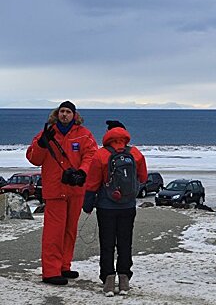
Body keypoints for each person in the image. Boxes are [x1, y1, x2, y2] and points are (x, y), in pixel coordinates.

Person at [26, 101, 98, 285]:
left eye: (68, 112)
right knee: (53, 233)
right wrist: (42, 144)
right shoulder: (47, 134)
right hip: (55, 189)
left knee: (69, 231)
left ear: (74, 115)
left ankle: (64, 266)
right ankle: (51, 271)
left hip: (75, 189)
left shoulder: (83, 134)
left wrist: (82, 171)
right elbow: (34, 159)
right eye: (62, 111)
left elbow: (91, 155)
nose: (64, 115)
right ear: (57, 114)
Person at [83, 120, 147, 296]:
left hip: (106, 206)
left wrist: (88, 204)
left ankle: (108, 280)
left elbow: (93, 182)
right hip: (128, 206)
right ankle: (124, 279)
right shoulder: (135, 153)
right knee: (125, 243)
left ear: (107, 135)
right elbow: (143, 177)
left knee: (107, 244)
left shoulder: (101, 154)